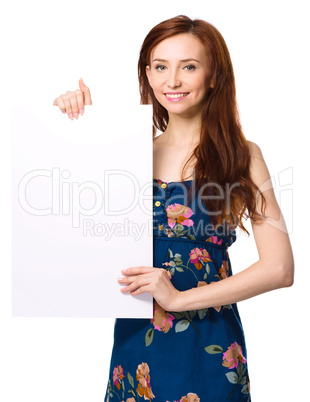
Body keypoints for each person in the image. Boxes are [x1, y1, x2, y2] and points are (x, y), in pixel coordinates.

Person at [53, 15, 294, 402]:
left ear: (214, 75)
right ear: (147, 74)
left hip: (209, 347)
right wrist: (78, 124)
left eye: (189, 67)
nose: (173, 81)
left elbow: (279, 269)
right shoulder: (125, 153)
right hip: (137, 346)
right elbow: (67, 233)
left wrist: (178, 299)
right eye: (161, 67)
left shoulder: (241, 156)